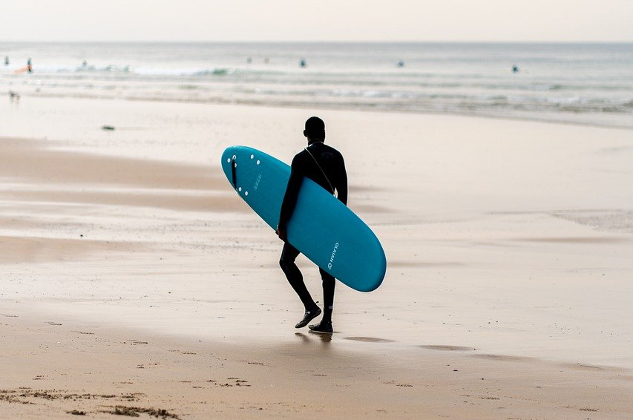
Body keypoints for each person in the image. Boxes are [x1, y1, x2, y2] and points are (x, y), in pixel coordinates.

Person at [276, 117, 348, 334]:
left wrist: (283, 223)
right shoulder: (337, 156)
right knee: (326, 269)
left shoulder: (301, 159)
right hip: (328, 219)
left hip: (306, 221)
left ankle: (309, 306)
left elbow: (292, 194)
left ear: (305, 133)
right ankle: (327, 320)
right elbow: (342, 193)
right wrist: (338, 220)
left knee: (286, 261)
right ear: (324, 133)